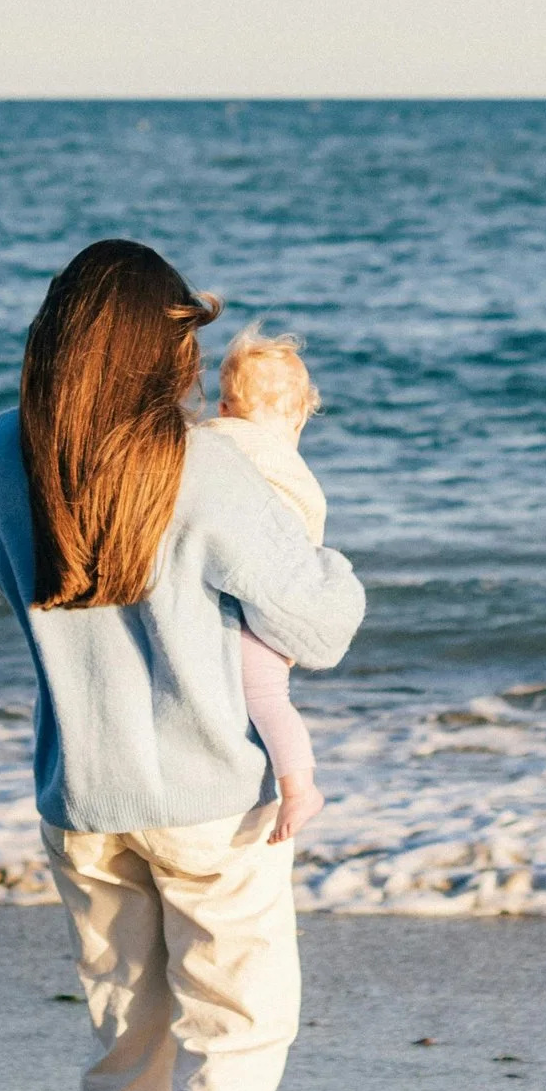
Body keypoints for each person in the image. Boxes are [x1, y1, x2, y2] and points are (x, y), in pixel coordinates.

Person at [0, 241, 364, 1091]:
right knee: (238, 1040)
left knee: (124, 1046)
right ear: (162, 346)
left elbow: (12, 577)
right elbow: (322, 626)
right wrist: (287, 482)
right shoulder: (208, 464)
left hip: (80, 796)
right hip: (205, 805)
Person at [207, 327, 330, 844]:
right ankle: (296, 786)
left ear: (225, 407)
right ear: (301, 414)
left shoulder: (212, 442)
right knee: (266, 695)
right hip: (269, 599)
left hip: (234, 597)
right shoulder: (291, 471)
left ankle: (295, 786)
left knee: (255, 695)